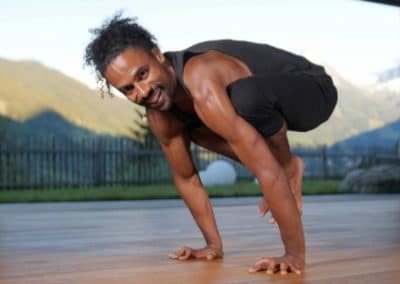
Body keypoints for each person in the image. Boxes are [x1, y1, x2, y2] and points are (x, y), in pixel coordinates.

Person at [85, 14, 337, 275]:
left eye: (143, 74)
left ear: (158, 55)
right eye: (129, 89)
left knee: (243, 99)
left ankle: (288, 164)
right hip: (267, 112)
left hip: (313, 91)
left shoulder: (201, 78)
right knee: (194, 127)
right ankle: (286, 163)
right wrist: (212, 245)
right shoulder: (160, 115)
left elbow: (266, 171)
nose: (143, 91)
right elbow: (187, 178)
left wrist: (293, 254)